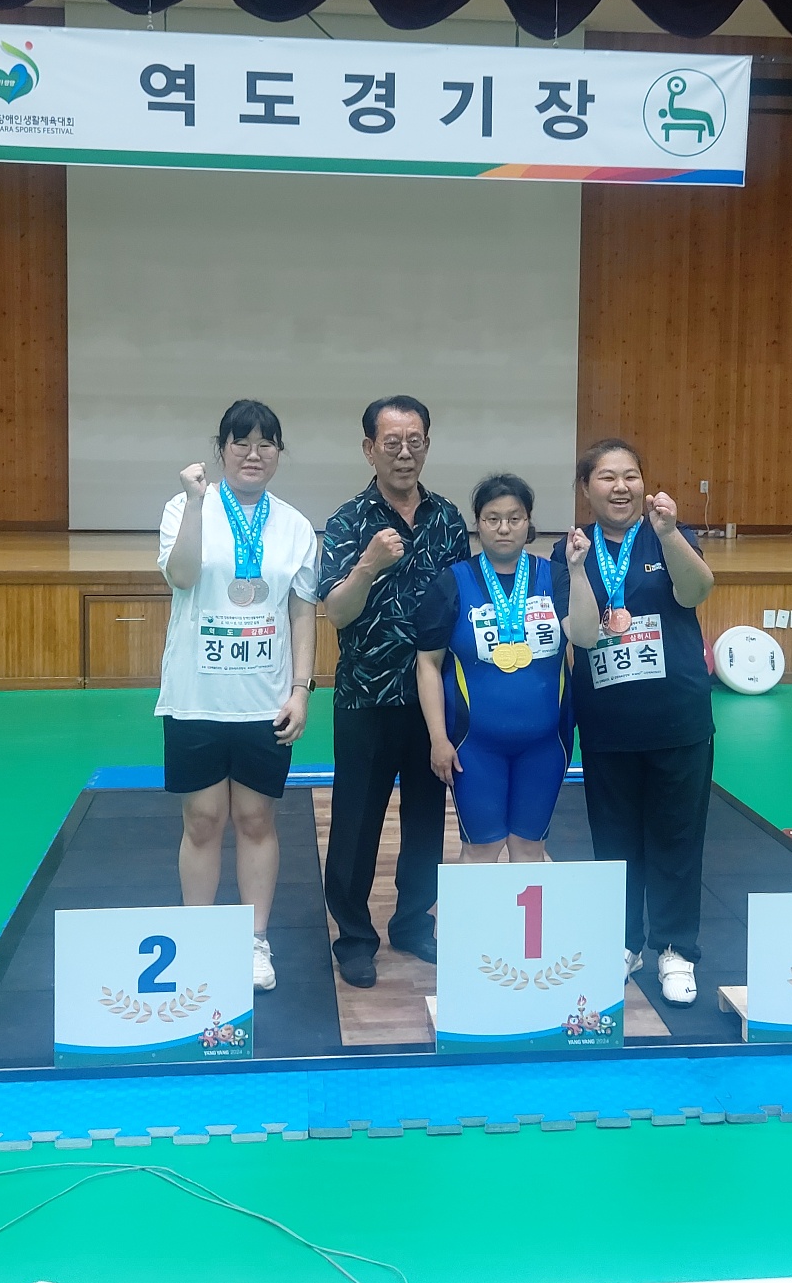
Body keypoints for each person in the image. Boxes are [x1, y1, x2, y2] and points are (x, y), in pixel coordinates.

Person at [155, 399, 319, 993]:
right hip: (195, 698)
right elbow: (181, 576)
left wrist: (301, 690)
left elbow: (302, 613)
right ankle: (199, 939)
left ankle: (254, 940)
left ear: (279, 453)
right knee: (202, 820)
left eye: (265, 443)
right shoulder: (184, 507)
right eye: (240, 442)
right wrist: (198, 502)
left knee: (255, 819)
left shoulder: (295, 526)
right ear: (221, 448)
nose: (253, 454)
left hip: (264, 701)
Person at [550, 438, 716, 1007]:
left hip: (678, 717)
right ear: (586, 488)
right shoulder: (571, 548)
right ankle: (622, 943)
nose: (620, 487)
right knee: (615, 840)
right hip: (608, 722)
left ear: (644, 483)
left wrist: (669, 535)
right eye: (606, 477)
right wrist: (577, 571)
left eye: (630, 476)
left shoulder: (668, 532)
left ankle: (676, 948)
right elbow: (581, 634)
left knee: (677, 838)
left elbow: (696, 591)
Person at [318, 396, 470, 988]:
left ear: (427, 444)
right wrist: (368, 565)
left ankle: (412, 923)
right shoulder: (348, 520)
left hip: (433, 702)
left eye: (415, 441)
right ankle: (354, 937)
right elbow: (336, 611)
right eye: (391, 443)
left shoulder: (448, 518)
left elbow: (464, 601)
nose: (404, 453)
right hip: (366, 698)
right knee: (356, 823)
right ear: (369, 449)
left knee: (427, 821)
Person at [414, 474, 573, 863]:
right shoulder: (451, 583)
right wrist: (438, 739)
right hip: (474, 746)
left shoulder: (556, 578)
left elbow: (580, 640)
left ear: (528, 522)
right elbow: (428, 664)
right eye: (493, 518)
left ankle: (527, 910)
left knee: (529, 847)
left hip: (546, 744)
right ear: (478, 523)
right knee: (481, 848)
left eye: (515, 518)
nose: (504, 528)